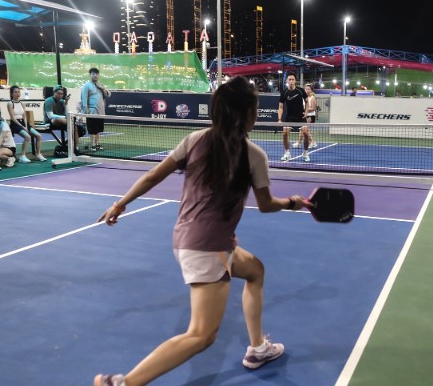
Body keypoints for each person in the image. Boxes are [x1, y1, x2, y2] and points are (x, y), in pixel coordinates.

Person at [93, 76, 312, 386]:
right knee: (201, 335)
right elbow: (266, 205)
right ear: (247, 114)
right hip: (208, 249)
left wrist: (120, 204)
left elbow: (153, 176)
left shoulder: (195, 140)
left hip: (188, 239)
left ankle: (258, 348)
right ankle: (123, 383)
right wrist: (293, 203)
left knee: (255, 271)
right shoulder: (254, 155)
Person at [7, 85, 47, 162]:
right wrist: (22, 126)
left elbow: (24, 116)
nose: (17, 94)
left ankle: (38, 154)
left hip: (24, 123)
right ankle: (22, 156)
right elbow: (12, 117)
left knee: (38, 135)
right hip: (15, 124)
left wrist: (25, 126)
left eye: (18, 92)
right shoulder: (10, 103)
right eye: (15, 92)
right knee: (27, 137)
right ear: (12, 94)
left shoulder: (22, 103)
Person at [278, 72, 311, 162]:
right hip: (289, 117)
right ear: (287, 81)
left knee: (306, 134)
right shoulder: (284, 92)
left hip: (300, 116)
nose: (291, 81)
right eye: (290, 79)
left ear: (295, 81)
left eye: (293, 79)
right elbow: (280, 107)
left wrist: (307, 112)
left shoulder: (300, 90)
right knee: (284, 134)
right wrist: (279, 119)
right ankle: (287, 153)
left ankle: (305, 152)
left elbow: (307, 101)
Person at [44, 85, 82, 153]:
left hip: (64, 121)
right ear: (54, 93)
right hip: (50, 122)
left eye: (61, 94)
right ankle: (72, 124)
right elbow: (50, 116)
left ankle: (75, 148)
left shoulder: (62, 101)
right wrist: (65, 118)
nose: (60, 95)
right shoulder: (49, 101)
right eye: (58, 93)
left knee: (74, 127)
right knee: (59, 120)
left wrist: (66, 104)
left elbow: (66, 113)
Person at [81, 67, 110, 151]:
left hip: (100, 111)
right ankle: (92, 144)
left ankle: (97, 144)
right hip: (92, 111)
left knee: (98, 129)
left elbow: (108, 95)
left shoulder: (100, 85)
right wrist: (86, 110)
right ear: (90, 75)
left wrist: (102, 88)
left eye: (97, 74)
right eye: (93, 74)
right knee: (92, 129)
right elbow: (84, 98)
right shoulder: (87, 86)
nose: (95, 76)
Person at [292, 83, 318, 149]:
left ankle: (312, 143)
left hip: (310, 116)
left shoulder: (312, 98)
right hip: (304, 116)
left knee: (304, 129)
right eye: (306, 89)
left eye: (309, 89)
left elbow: (314, 108)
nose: (307, 90)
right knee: (302, 129)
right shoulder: (303, 98)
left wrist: (305, 110)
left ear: (311, 90)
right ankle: (299, 143)